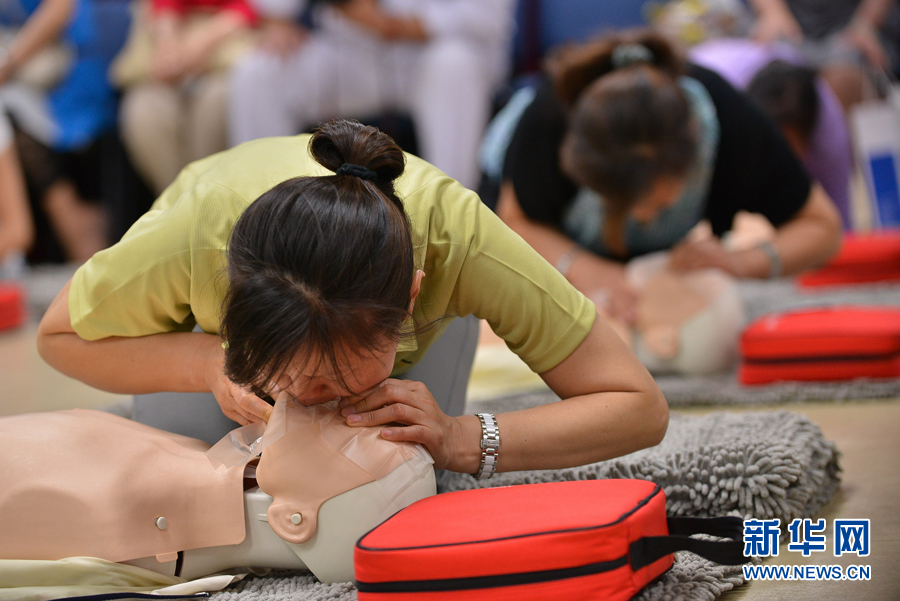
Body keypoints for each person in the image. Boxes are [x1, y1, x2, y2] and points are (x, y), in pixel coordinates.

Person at [36, 118, 668, 476]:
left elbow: (637, 405)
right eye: (287, 372)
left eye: (338, 378)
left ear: (411, 300)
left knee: (409, 480)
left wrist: (463, 437)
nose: (312, 400)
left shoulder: (460, 239)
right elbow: (58, 336)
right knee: (203, 491)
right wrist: (205, 364)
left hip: (406, 325)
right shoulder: (195, 236)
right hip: (206, 343)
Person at [493, 30, 842, 325]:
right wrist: (583, 267)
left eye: (660, 205)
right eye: (615, 206)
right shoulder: (551, 116)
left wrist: (742, 262)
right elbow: (514, 221)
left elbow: (822, 227)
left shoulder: (730, 123)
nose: (642, 219)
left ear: (695, 163)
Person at [227, 0, 515, 189]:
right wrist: (277, 20)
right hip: (350, 54)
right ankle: (261, 214)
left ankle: (451, 215)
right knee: (259, 73)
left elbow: (488, 20)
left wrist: (394, 25)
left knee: (455, 63)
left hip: (429, 54)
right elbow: (274, 8)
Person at [690, 37, 855, 228]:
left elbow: (838, 225)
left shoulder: (830, 139)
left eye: (788, 155)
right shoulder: (711, 105)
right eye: (768, 151)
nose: (778, 164)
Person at [0, 0, 118, 262]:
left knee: (17, 121)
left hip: (66, 70)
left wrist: (8, 62)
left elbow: (61, 8)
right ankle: (73, 224)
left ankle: (75, 228)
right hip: (22, 79)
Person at [115, 0, 258, 194]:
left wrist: (206, 40)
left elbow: (257, 7)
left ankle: (209, 195)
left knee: (218, 101)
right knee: (143, 108)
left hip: (227, 58)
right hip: (166, 54)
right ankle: (177, 199)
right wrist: (168, 45)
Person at [748, 0, 900, 111]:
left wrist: (867, 23)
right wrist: (772, 12)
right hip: (790, 35)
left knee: (842, 85)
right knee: (777, 89)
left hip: (853, 34)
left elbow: (865, 29)